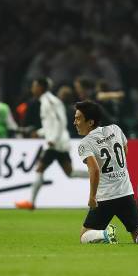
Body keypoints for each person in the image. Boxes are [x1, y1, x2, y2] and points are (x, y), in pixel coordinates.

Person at [73, 100, 138, 244]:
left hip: (105, 197)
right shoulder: (115, 129)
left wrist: (92, 196)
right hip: (125, 192)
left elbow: (94, 170)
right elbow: (125, 149)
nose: (75, 122)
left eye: (78, 118)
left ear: (90, 122)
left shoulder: (85, 143)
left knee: (84, 236)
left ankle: (105, 235)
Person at [15, 78, 88, 210]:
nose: (32, 89)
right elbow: (51, 125)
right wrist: (40, 132)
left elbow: (60, 122)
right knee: (70, 173)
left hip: (56, 143)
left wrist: (52, 139)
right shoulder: (45, 101)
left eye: (34, 86)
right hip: (58, 142)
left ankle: (31, 202)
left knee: (39, 169)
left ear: (41, 88)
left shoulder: (50, 101)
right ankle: (97, 174)